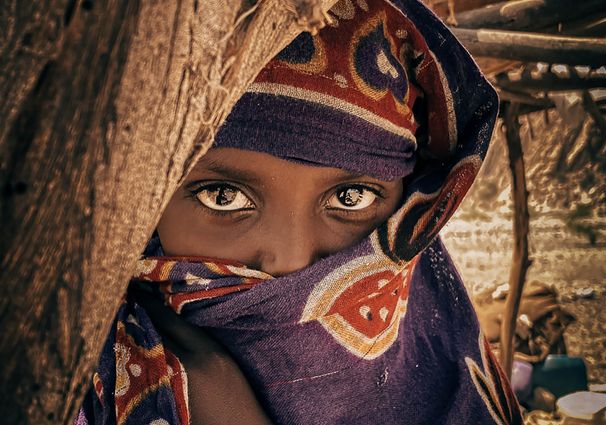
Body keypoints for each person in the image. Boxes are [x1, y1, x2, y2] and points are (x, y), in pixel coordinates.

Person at [77, 0, 522, 423]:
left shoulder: (454, 393)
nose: (289, 262)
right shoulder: (58, 379)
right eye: (223, 196)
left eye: (351, 199)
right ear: (147, 208)